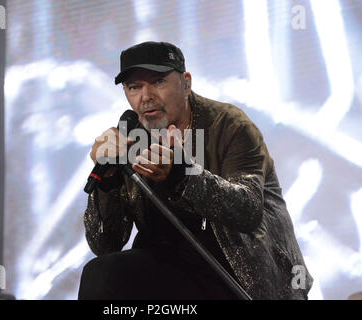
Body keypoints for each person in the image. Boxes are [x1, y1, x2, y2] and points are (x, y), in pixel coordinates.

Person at [78, 41, 313, 300]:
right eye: (135, 87)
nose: (145, 97)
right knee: (101, 274)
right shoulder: (131, 138)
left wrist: (180, 173)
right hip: (169, 270)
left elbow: (247, 210)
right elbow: (105, 244)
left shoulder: (230, 125)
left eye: (158, 82)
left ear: (186, 83)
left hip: (239, 270)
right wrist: (107, 182)